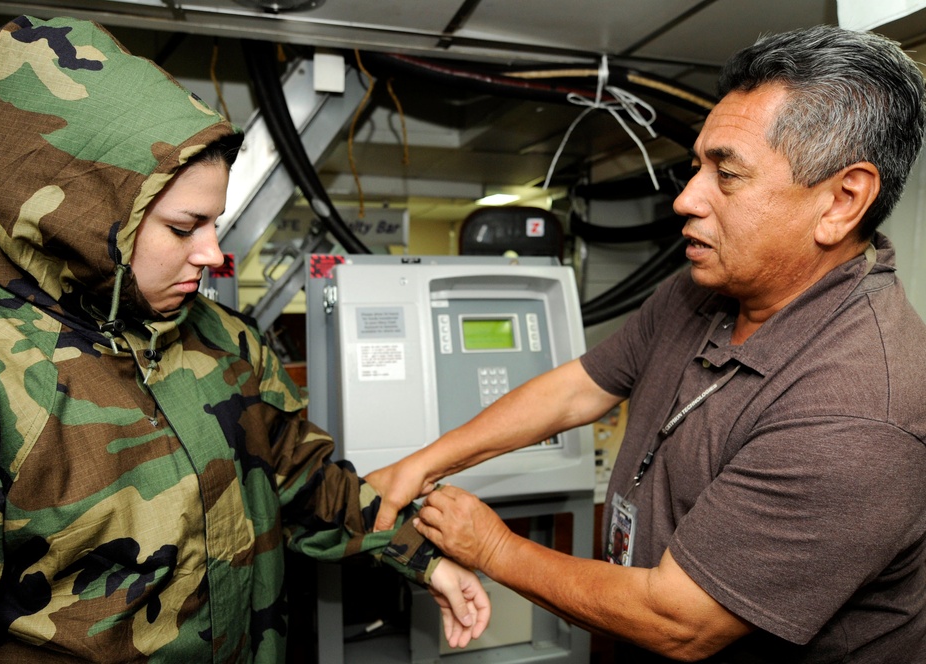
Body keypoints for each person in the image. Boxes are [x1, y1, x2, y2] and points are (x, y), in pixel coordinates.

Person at [0, 15, 489, 662]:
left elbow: (303, 481)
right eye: (183, 226)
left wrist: (426, 559)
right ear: (82, 216)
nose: (214, 254)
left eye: (215, 223)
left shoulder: (222, 339)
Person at [367, 24, 926, 663]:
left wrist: (493, 548)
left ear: (842, 200)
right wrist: (428, 462)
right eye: (696, 166)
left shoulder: (858, 409)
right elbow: (580, 388)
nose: (686, 199)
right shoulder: (703, 289)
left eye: (728, 174)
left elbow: (680, 621)